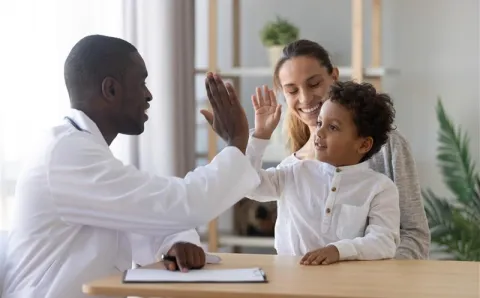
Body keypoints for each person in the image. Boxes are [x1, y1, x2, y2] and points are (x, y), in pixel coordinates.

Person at [2, 35, 259, 298]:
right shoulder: (67, 155)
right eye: (141, 83)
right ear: (111, 90)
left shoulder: (82, 151)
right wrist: (236, 142)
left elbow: (143, 216)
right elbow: (180, 204)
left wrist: (175, 241)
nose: (148, 95)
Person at [249, 39, 430, 260]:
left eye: (314, 84)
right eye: (292, 90)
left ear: (333, 76)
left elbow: (412, 235)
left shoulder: (386, 154)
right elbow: (249, 184)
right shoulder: (293, 168)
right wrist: (258, 136)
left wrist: (379, 283)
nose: (305, 98)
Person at [247, 80, 400, 264]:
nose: (318, 133)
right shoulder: (294, 172)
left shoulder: (380, 188)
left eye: (333, 127)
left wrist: (338, 250)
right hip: (288, 282)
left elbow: (384, 242)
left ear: (363, 144)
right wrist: (260, 137)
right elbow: (250, 186)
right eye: (320, 123)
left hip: (344, 288)